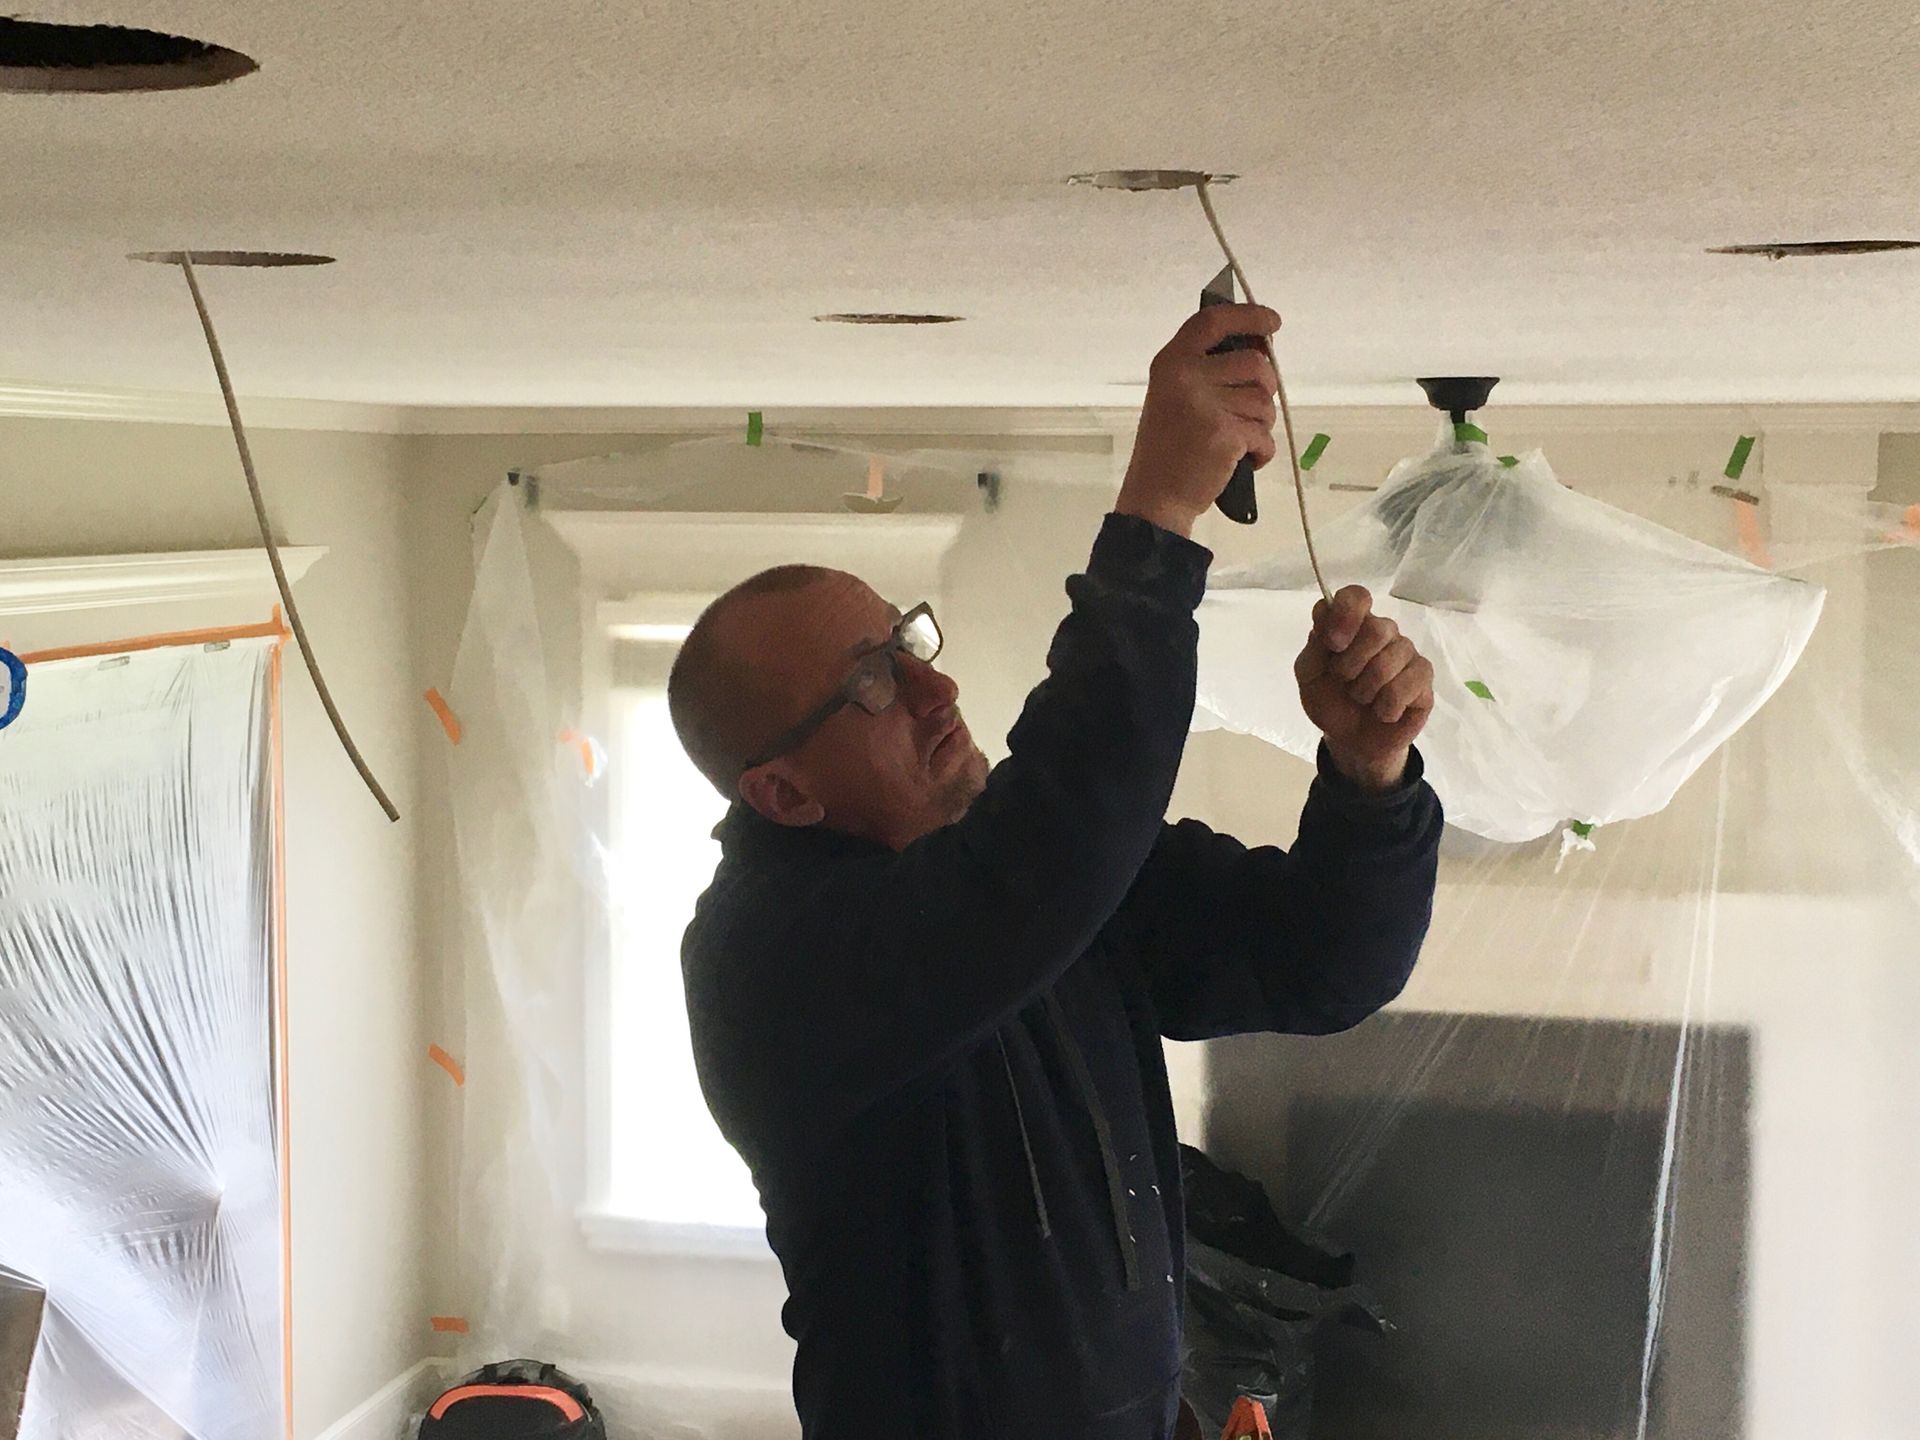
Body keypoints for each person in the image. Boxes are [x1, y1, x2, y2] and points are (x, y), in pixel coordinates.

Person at [669, 302, 1444, 1439]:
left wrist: (1369, 775)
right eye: (874, 684)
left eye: (908, 645)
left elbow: (1322, 963)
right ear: (783, 793)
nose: (937, 694)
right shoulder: (773, 960)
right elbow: (1045, 854)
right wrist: (1159, 517)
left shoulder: (1046, 882)